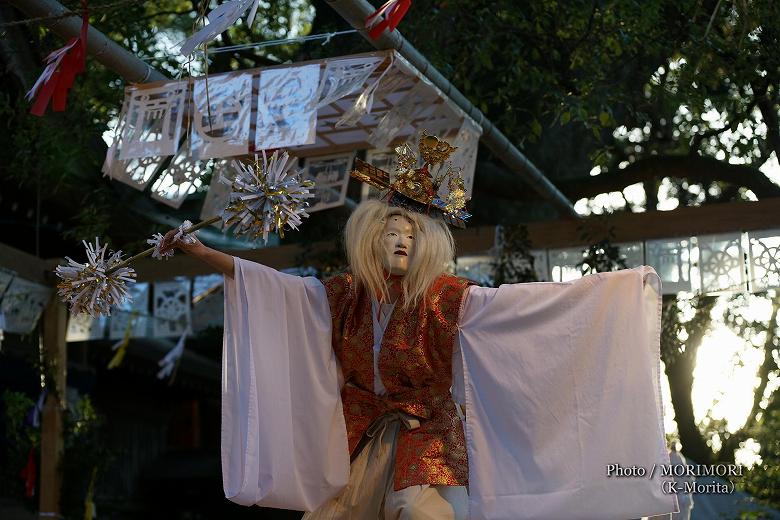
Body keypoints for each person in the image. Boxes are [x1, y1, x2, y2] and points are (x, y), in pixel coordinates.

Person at [160, 198, 679, 519]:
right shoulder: (345, 294)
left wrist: (611, 292)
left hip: (426, 426)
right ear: (370, 241)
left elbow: (517, 309)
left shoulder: (449, 297)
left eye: (409, 235)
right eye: (390, 234)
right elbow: (280, 293)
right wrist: (203, 253)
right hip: (359, 425)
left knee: (418, 509)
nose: (400, 242)